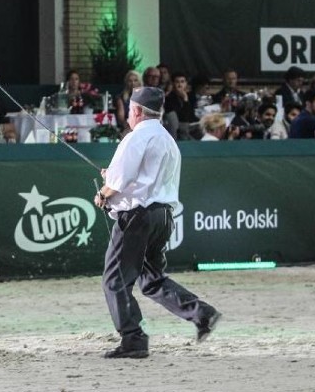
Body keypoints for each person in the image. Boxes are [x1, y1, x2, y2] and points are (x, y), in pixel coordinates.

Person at [94, 86, 221, 359]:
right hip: (163, 216)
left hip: (138, 218)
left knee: (114, 280)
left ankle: (133, 339)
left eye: (130, 110)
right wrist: (113, 179)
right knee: (152, 280)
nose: (129, 115)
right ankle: (202, 313)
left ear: (137, 111)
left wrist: (103, 194)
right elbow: (139, 176)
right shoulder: (167, 139)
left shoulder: (135, 138)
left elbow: (118, 181)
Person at [162, 71, 197, 140]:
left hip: (190, 125)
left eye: (182, 82)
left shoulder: (191, 96)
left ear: (186, 83)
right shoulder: (168, 98)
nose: (180, 85)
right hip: (178, 128)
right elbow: (182, 117)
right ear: (173, 84)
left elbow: (191, 115)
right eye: (177, 82)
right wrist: (185, 100)